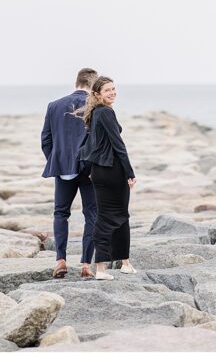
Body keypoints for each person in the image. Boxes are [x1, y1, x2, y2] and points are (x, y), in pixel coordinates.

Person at [41, 68, 99, 279]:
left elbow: (46, 140)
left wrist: (56, 160)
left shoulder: (54, 105)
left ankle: (61, 260)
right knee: (91, 215)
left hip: (63, 168)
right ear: (94, 85)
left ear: (77, 82)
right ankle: (85, 264)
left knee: (60, 213)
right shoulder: (97, 105)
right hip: (90, 170)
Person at [77, 76, 137, 280]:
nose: (112, 92)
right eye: (107, 90)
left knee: (117, 216)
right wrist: (130, 172)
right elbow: (118, 145)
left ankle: (125, 262)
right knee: (109, 218)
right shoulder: (105, 112)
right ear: (97, 95)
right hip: (112, 171)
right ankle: (101, 269)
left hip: (100, 171)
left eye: (113, 89)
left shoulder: (95, 112)